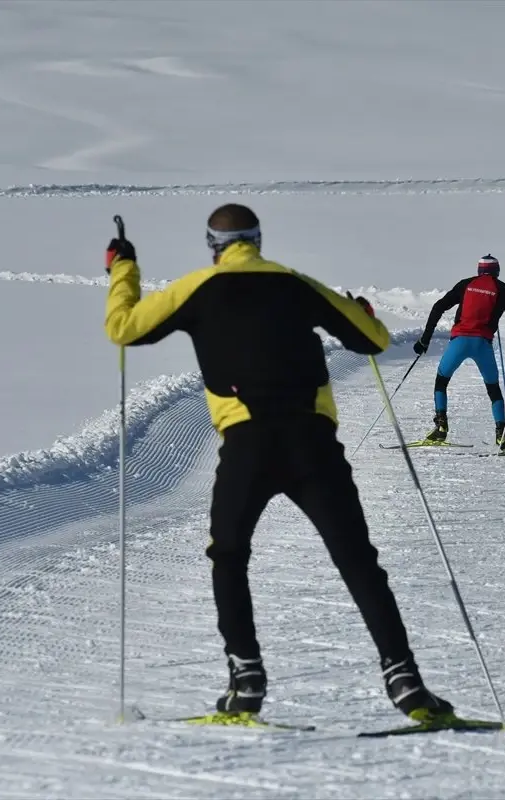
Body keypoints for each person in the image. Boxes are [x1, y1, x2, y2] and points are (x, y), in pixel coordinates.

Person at [103, 203, 454, 722]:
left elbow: (124, 328)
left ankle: (246, 682)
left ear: (212, 244)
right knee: (357, 560)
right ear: (259, 240)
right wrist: (363, 314)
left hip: (247, 444)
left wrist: (123, 268)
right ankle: (405, 682)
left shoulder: (196, 288)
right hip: (312, 443)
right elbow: (373, 341)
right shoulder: (295, 283)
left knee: (229, 555)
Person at [415, 255, 505, 452]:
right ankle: (502, 436)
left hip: (459, 342)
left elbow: (438, 306)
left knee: (442, 380)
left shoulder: (466, 284)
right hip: (483, 344)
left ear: (479, 270)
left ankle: (440, 425)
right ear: (497, 271)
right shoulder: (502, 289)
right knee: (493, 389)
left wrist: (425, 340)